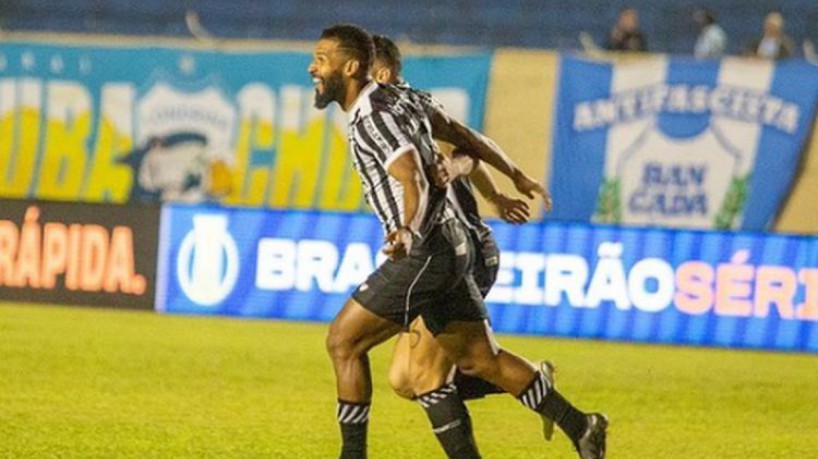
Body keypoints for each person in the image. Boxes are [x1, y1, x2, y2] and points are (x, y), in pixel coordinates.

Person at [309, 24, 607, 459]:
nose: (312, 66)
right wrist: (515, 175)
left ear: (351, 67)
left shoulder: (373, 115)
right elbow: (466, 138)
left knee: (345, 343)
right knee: (476, 361)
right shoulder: (406, 99)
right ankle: (580, 425)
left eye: (320, 59)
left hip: (424, 250)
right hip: (449, 246)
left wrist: (407, 229)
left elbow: (411, 175)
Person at [371, 33, 557, 456]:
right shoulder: (380, 118)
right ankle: (534, 384)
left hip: (459, 252)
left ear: (380, 74)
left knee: (425, 377)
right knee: (404, 380)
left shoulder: (404, 110)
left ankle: (560, 409)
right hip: (438, 254)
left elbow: (465, 149)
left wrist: (465, 174)